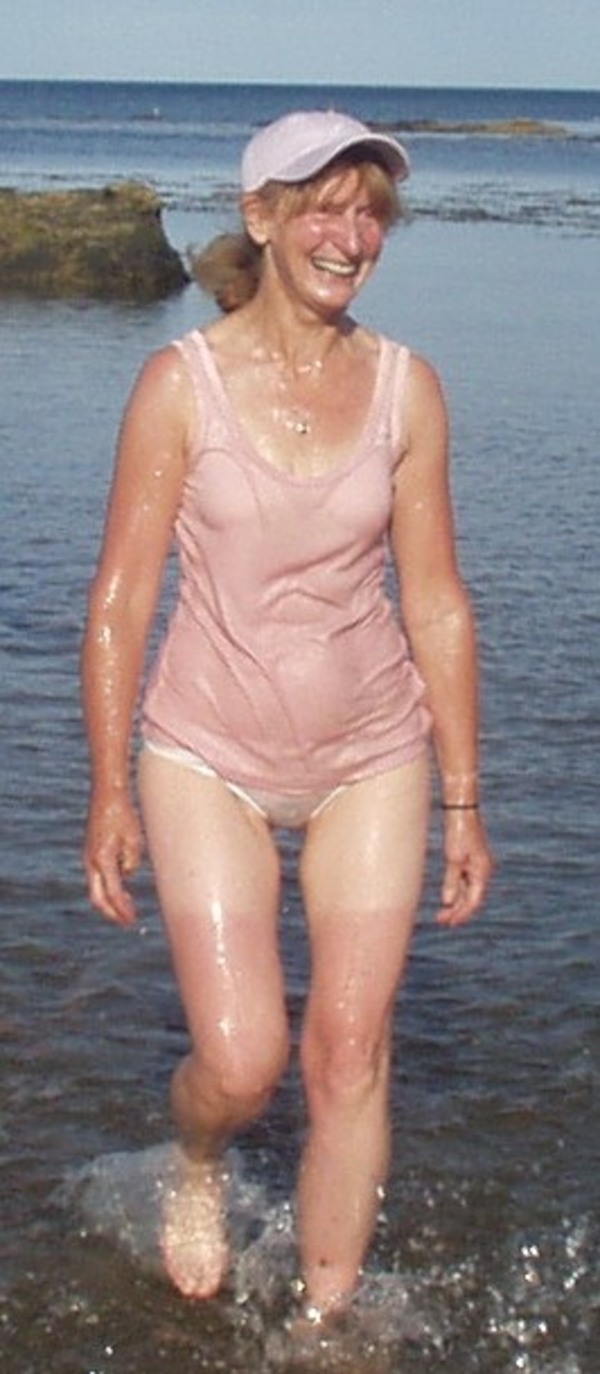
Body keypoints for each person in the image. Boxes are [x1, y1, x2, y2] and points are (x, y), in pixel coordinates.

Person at [81, 109, 494, 1322]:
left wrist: (464, 795)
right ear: (261, 218)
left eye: (370, 214)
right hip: (206, 753)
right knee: (244, 1058)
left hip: (373, 755)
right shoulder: (180, 387)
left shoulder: (409, 390)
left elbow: (437, 600)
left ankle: (327, 1322)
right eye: (323, 209)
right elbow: (121, 600)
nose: (349, 237)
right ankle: (197, 1155)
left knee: (349, 1051)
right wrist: (109, 788)